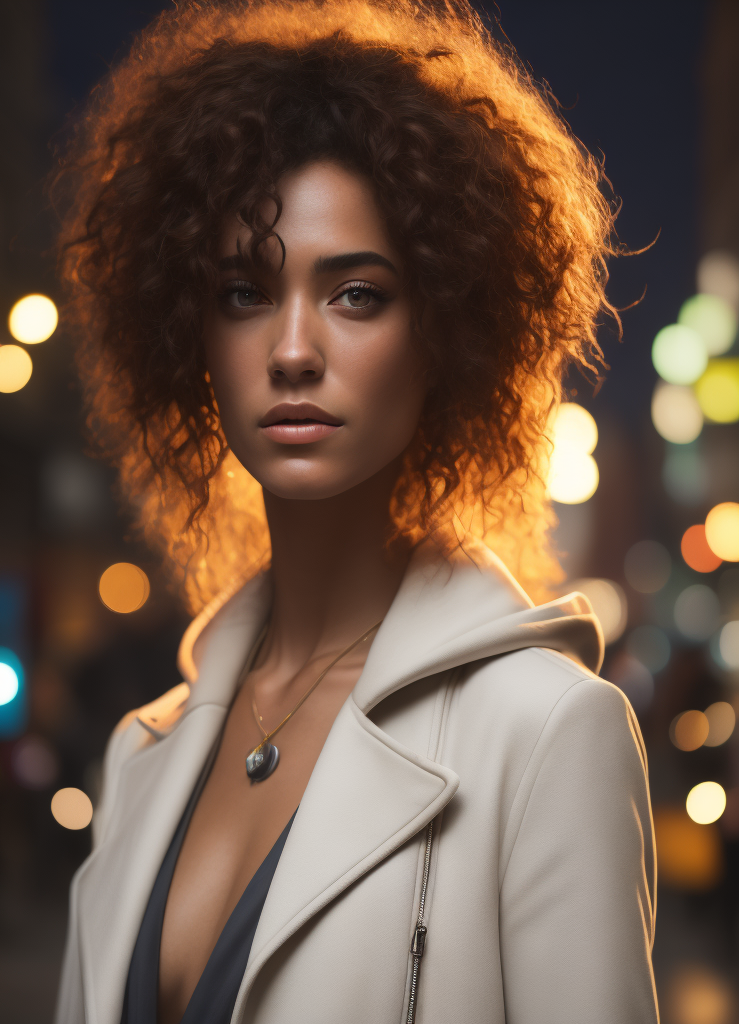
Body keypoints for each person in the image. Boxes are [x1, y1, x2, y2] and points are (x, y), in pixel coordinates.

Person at [53, 2, 658, 1022]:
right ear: (188, 334)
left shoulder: (546, 732)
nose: (292, 349)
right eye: (245, 292)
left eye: (357, 294)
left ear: (450, 335)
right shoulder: (143, 754)